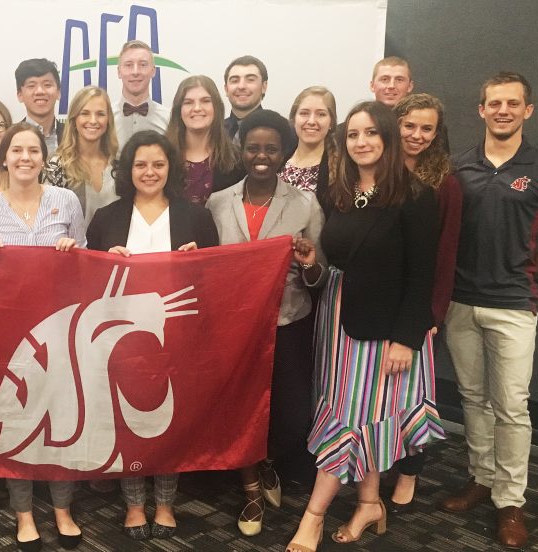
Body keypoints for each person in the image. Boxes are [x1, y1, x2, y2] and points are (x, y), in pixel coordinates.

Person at [284, 102, 445, 552]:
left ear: (389, 138)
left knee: (350, 418)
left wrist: (405, 340)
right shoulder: (344, 191)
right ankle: (370, 502)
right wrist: (314, 263)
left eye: (371, 133)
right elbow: (339, 262)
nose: (362, 142)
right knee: (365, 417)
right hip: (338, 323)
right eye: (353, 135)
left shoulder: (416, 196)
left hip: (383, 334)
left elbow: (421, 276)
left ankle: (312, 517)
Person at [440, 72, 538, 550]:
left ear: (528, 110)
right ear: (480, 110)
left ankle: (510, 500)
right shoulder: (457, 166)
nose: (503, 110)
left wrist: (527, 270)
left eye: (512, 103)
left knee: (512, 407)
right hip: (460, 301)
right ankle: (481, 478)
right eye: (494, 103)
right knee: (473, 397)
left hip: (514, 306)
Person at [85, 130, 218, 541]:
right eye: (140, 164)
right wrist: (104, 262)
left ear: (171, 168)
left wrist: (198, 263)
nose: (149, 172)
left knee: (168, 421)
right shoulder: (106, 218)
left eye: (158, 164)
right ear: (128, 170)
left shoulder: (196, 216)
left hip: (176, 336)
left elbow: (216, 279)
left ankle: (164, 503)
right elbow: (85, 284)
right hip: (122, 340)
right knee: (128, 421)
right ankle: (134, 505)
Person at [204, 110, 325, 538]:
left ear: (283, 153)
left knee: (291, 416)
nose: (261, 155)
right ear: (241, 150)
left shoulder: (305, 204)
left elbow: (319, 276)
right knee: (239, 412)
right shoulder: (218, 202)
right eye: (253, 147)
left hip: (287, 321)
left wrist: (309, 264)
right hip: (233, 328)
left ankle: (270, 462)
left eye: (270, 148)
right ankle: (252, 490)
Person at [0, 122, 84, 552]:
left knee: (60, 420)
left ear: (43, 157)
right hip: (11, 334)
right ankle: (23, 513)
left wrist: (72, 252)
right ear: (3, 157)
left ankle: (62, 509)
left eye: (32, 150)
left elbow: (84, 263)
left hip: (59, 330)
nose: (24, 158)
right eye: (16, 150)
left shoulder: (66, 201)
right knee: (19, 421)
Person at [382, 92, 462, 515]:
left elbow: (445, 253)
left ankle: (410, 472)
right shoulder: (378, 170)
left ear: (436, 133)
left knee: (412, 397)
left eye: (426, 128)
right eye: (409, 125)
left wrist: (432, 314)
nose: (416, 135)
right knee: (379, 394)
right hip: (379, 302)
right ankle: (377, 463)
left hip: (418, 308)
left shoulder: (444, 182)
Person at [43, 86, 119, 223]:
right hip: (71, 243)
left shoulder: (119, 166)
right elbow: (47, 219)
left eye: (100, 114)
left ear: (108, 120)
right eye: (85, 113)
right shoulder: (56, 166)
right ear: (74, 119)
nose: (93, 120)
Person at [165, 75, 243, 205]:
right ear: (179, 110)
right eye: (188, 102)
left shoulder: (236, 160)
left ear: (216, 107)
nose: (197, 108)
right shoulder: (162, 155)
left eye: (205, 101)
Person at [284, 87, 337, 207]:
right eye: (304, 113)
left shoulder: (341, 168)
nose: (312, 121)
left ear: (331, 122)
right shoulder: (279, 162)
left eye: (321, 114)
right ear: (293, 119)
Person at [114, 40, 168, 149]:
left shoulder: (168, 119)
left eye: (142, 65)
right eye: (128, 65)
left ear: (153, 71)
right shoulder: (105, 118)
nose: (135, 72)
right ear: (119, 72)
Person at [15, 59, 65, 156]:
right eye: (31, 86)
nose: (40, 91)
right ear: (20, 95)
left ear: (59, 92)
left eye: (47, 85)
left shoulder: (73, 135)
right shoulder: (9, 136)